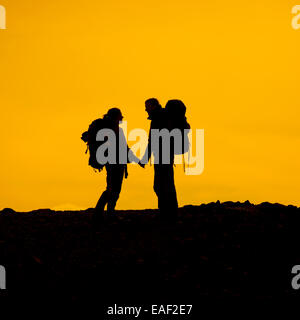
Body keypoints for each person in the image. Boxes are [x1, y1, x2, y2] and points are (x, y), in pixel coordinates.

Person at [94, 108, 143, 224]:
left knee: (113, 189)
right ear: (116, 117)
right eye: (120, 116)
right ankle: (102, 214)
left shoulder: (113, 130)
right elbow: (125, 148)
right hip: (115, 164)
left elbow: (124, 148)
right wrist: (137, 161)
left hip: (113, 163)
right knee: (113, 189)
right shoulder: (114, 130)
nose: (122, 118)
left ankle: (104, 213)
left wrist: (137, 160)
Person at [141, 98, 178, 221]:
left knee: (160, 186)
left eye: (147, 106)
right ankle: (171, 213)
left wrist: (145, 158)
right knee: (168, 184)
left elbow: (153, 140)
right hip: (167, 154)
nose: (145, 109)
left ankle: (165, 215)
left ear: (153, 106)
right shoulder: (164, 116)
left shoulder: (158, 118)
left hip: (162, 155)